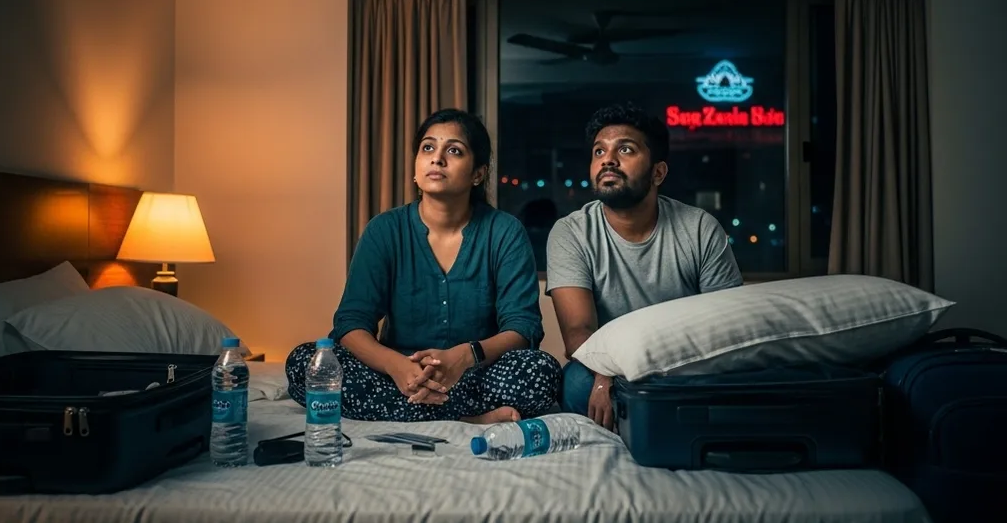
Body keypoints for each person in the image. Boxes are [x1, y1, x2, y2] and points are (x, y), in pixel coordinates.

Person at [285, 108, 561, 424]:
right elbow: (350, 323)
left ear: (478, 174)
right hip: (395, 376)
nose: (437, 159)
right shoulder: (384, 230)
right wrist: (396, 366)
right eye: (428, 148)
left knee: (541, 372)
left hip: (474, 374)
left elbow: (523, 328)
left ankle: (421, 412)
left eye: (454, 151)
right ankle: (466, 419)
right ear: (416, 169)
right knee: (305, 363)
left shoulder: (505, 231)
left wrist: (464, 356)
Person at [546, 102, 744, 429]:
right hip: (609, 367)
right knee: (578, 383)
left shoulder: (699, 227)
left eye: (625, 149)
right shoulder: (571, 231)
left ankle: (659, 426)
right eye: (599, 152)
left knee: (731, 380)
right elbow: (578, 333)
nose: (608, 159)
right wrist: (603, 377)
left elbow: (725, 326)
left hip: (683, 362)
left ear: (658, 173)